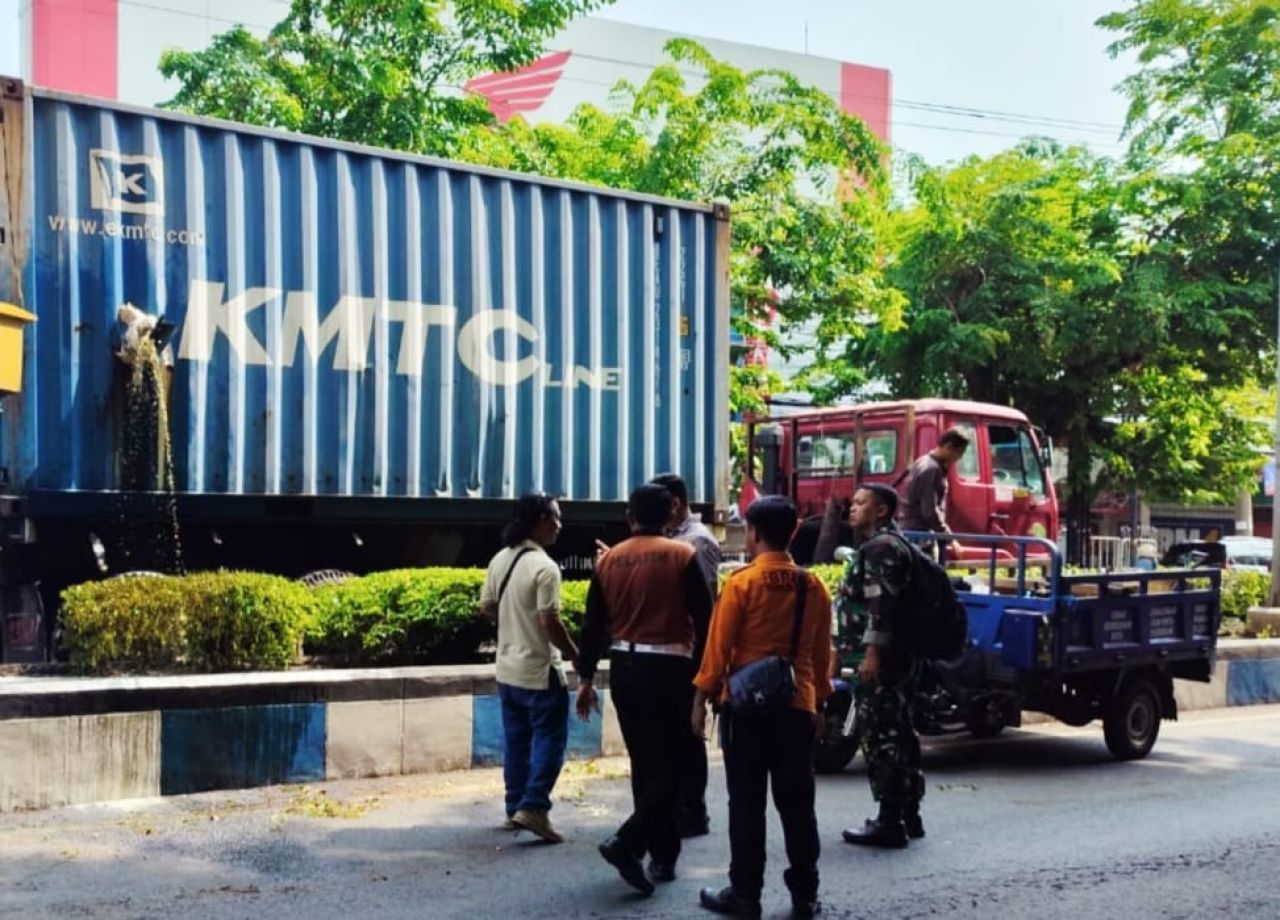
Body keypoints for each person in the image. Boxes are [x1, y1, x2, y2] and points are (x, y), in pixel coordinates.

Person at [692, 495, 833, 919]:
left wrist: (700, 700)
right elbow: (821, 652)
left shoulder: (741, 583)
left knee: (747, 803)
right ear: (792, 532)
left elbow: (718, 651)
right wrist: (820, 700)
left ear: (752, 533)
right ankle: (805, 893)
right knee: (797, 804)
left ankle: (746, 893)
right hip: (798, 705)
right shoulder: (814, 586)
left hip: (746, 710)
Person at [576, 484, 714, 896]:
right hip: (672, 666)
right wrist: (706, 681)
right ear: (669, 513)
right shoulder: (682, 555)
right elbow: (706, 622)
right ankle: (629, 843)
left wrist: (584, 678)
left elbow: (593, 626)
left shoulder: (609, 561)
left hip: (625, 667)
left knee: (645, 762)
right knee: (674, 767)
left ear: (630, 516)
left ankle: (661, 856)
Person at [479, 493, 577, 844]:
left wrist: (513, 622)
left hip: (507, 670)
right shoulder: (545, 567)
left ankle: (513, 808)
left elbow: (487, 607)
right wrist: (575, 653)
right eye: (556, 517)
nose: (560, 525)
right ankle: (534, 807)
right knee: (551, 741)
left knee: (517, 743)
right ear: (540, 520)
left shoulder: (500, 560)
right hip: (539, 670)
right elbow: (550, 621)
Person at [840, 483, 925, 849]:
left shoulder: (880, 549)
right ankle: (909, 814)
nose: (852, 509)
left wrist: (872, 654)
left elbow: (881, 607)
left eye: (861, 503)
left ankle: (889, 821)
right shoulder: (893, 544)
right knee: (900, 734)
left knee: (883, 738)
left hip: (881, 661)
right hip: (898, 659)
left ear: (882, 511)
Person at [650, 471, 721, 838]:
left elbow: (705, 606)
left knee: (689, 734)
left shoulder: (698, 542)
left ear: (674, 504)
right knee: (672, 735)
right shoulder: (674, 540)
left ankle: (694, 811)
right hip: (676, 651)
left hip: (691, 652)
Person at [900, 427, 970, 560]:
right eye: (960, 453)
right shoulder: (931, 469)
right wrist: (950, 539)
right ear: (949, 447)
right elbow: (930, 511)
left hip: (913, 531)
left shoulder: (923, 462)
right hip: (920, 536)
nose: (959, 458)